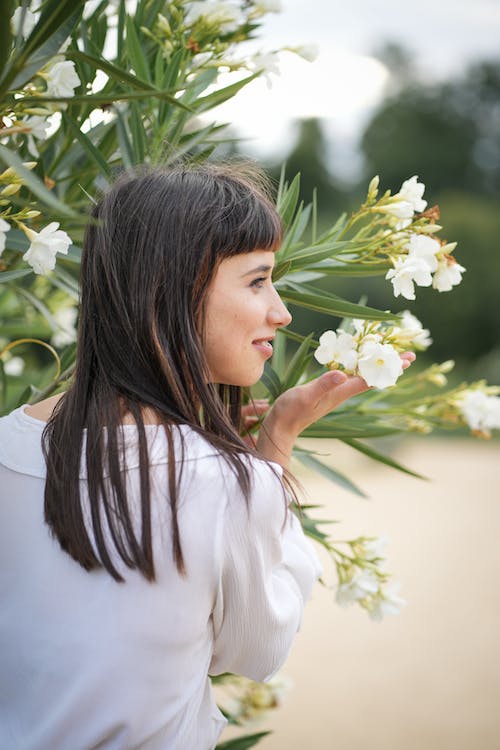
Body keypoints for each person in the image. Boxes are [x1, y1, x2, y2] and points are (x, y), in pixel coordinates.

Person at [0, 162, 414, 749]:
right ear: (173, 287)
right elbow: (256, 651)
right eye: (257, 281)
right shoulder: (222, 482)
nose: (281, 311)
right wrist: (274, 448)